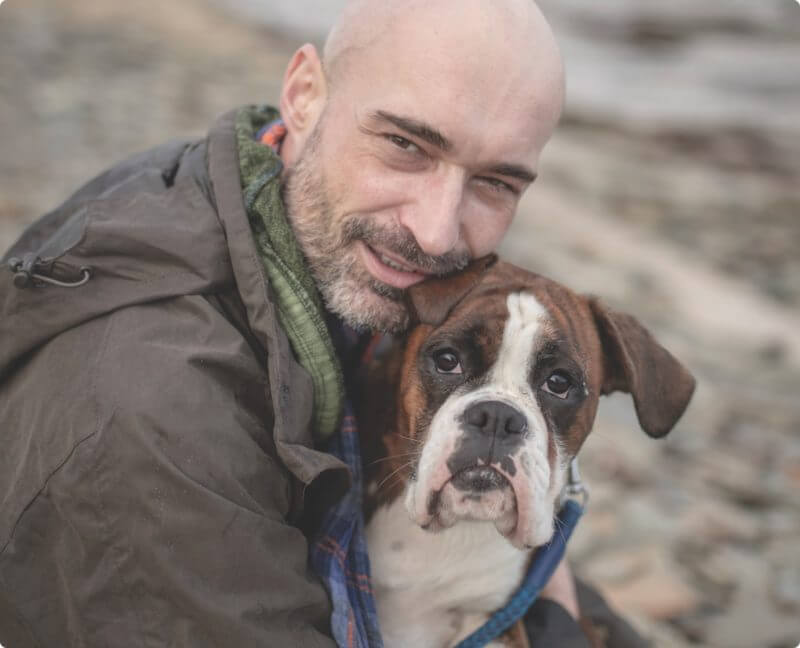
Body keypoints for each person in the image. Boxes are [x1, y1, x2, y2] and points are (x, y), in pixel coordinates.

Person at [0, 0, 646, 646]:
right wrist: (556, 628)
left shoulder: (266, 214)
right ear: (304, 97)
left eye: (496, 183)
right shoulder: (157, 419)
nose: (436, 229)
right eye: (405, 144)